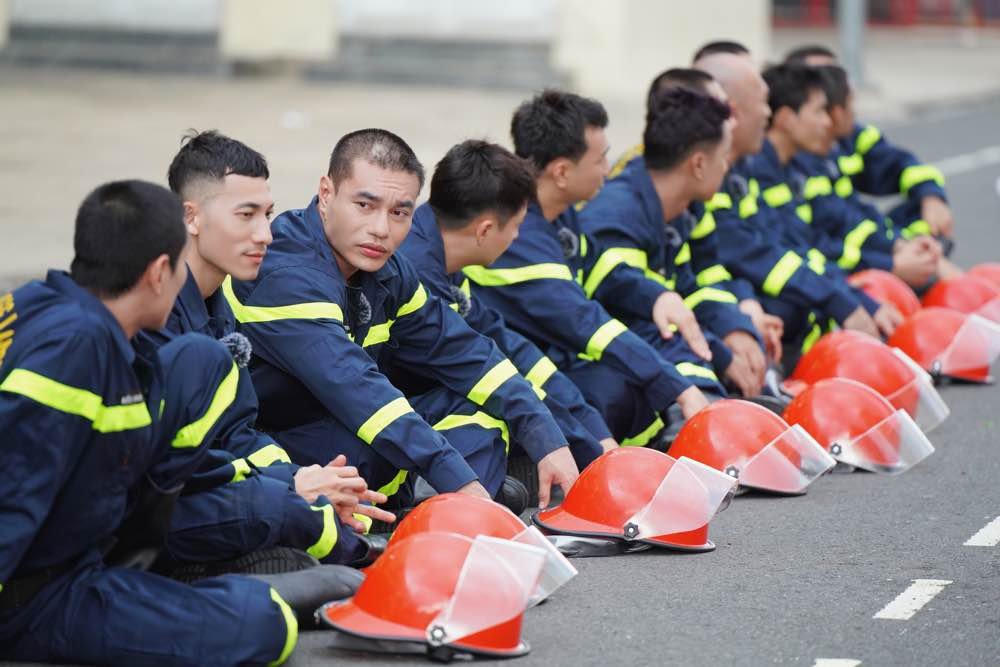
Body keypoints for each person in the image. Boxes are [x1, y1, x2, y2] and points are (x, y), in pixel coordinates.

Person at [0, 180, 305, 666]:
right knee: (264, 625)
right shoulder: (74, 350)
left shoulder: (50, 306)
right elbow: (12, 492)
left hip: (70, 545)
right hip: (37, 597)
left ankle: (144, 572)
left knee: (203, 362)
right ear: (160, 272)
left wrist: (262, 480)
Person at [226, 128, 574, 508]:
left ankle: (458, 513)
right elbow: (358, 391)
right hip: (272, 439)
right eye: (365, 205)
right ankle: (449, 506)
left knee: (473, 410)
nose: (381, 229)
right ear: (326, 194)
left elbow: (462, 349)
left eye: (399, 213)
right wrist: (460, 480)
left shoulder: (389, 269)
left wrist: (545, 435)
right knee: (373, 447)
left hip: (335, 420)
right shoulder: (288, 274)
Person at [142, 130, 393, 571]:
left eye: (268, 215)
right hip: (149, 509)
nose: (265, 235)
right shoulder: (152, 315)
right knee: (286, 510)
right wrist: (289, 488)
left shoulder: (216, 307)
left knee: (337, 477)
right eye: (246, 215)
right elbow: (169, 465)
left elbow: (238, 431)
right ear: (191, 217)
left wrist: (300, 476)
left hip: (203, 486)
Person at [466, 90, 710, 448]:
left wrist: (657, 297)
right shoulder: (518, 236)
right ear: (562, 172)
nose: (608, 170)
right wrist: (680, 389)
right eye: (600, 159)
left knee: (633, 363)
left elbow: (602, 268)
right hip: (511, 377)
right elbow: (585, 323)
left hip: (547, 358)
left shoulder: (557, 213)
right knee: (611, 386)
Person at [399, 140, 614, 500]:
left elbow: (503, 343)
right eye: (516, 225)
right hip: (363, 422)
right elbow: (478, 364)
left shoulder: (436, 247)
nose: (516, 237)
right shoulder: (417, 270)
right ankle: (431, 498)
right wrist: (571, 447)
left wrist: (595, 437)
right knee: (485, 404)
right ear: (484, 230)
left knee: (515, 391)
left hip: (405, 399)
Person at [694, 48, 883, 365]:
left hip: (718, 303)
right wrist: (838, 298)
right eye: (762, 103)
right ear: (733, 112)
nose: (767, 113)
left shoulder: (738, 170)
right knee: (785, 307)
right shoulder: (721, 173)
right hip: (689, 326)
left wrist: (848, 294)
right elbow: (742, 253)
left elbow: (783, 243)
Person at [580, 87, 768, 398]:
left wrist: (735, 328)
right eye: (723, 157)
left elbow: (692, 289)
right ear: (698, 164)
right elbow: (638, 321)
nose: (726, 168)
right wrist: (721, 359)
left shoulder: (681, 209)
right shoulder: (616, 217)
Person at [785, 44, 955, 244]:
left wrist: (931, 196)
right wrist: (895, 251)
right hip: (836, 250)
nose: (832, 86)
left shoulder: (851, 135)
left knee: (920, 212)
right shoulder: (794, 156)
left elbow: (899, 163)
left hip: (855, 239)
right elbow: (835, 225)